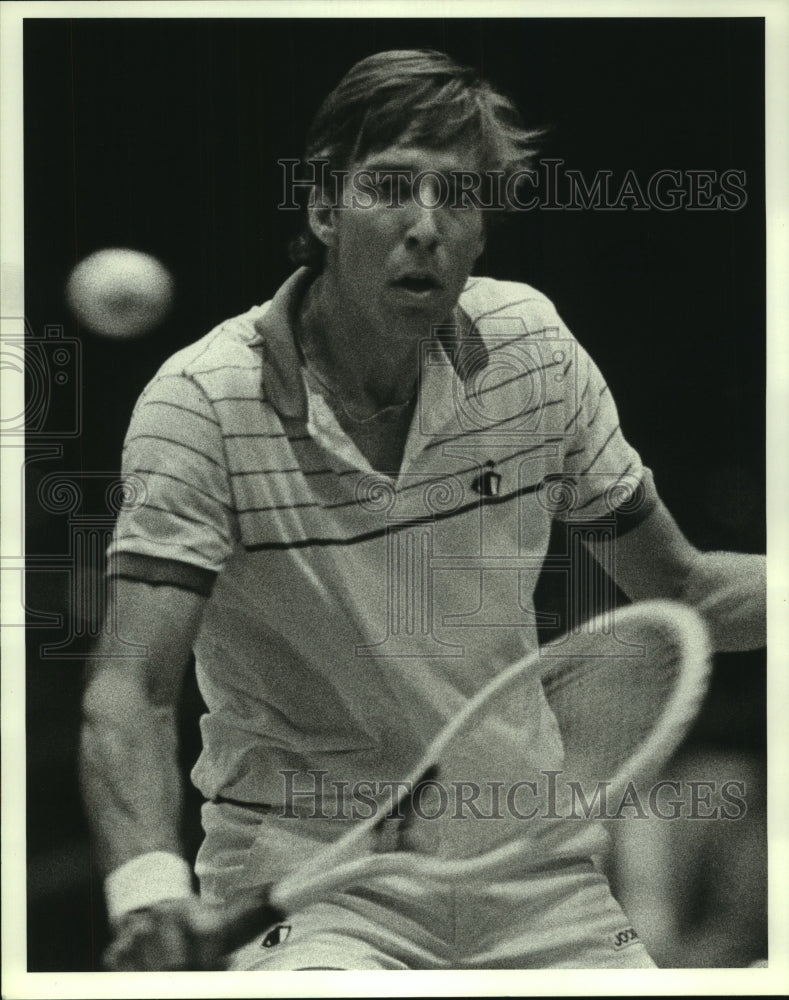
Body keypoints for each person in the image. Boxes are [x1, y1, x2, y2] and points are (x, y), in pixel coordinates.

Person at [80, 49, 766, 971]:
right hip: (312, 883)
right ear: (323, 208)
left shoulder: (533, 353)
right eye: (391, 189)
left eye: (459, 196)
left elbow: (682, 590)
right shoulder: (204, 403)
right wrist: (148, 892)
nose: (426, 227)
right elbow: (132, 687)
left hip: (534, 876)